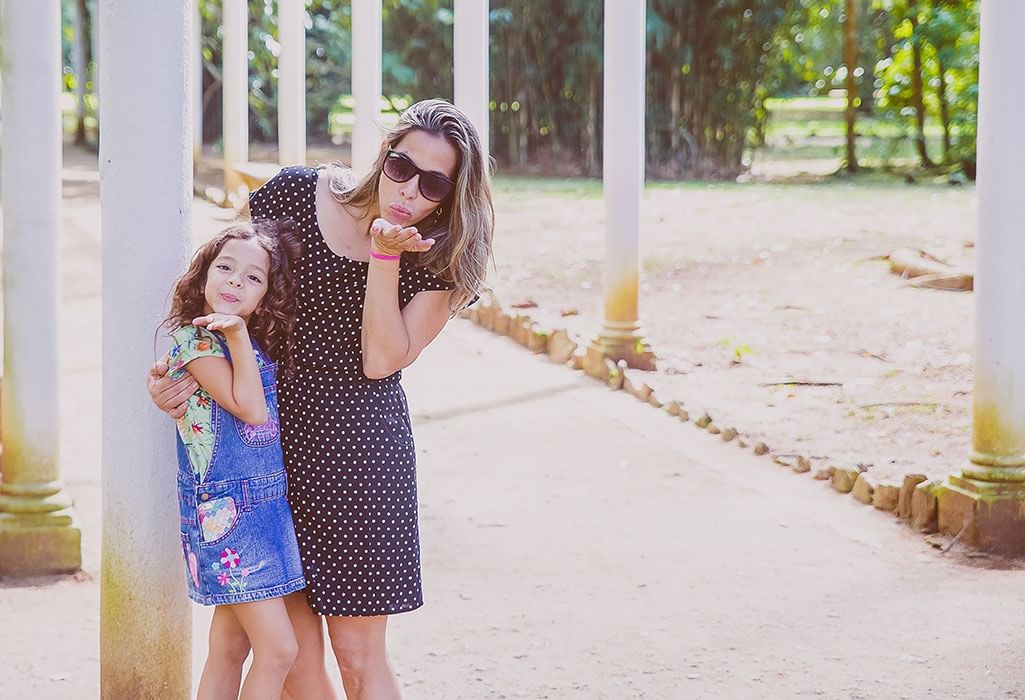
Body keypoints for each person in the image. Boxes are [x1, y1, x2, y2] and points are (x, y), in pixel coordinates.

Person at [148, 98, 495, 699]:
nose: (409, 188)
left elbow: (382, 359)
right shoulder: (290, 196)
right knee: (296, 664)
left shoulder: (443, 256)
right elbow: (226, 294)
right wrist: (175, 378)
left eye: (433, 182)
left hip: (359, 460)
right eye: (401, 166)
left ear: (451, 195)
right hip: (265, 453)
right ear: (383, 155)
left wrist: (386, 255)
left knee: (359, 658)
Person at [162, 220, 307, 699]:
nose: (234, 282)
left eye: (252, 278)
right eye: (225, 267)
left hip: (266, 508)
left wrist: (244, 338)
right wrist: (240, 337)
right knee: (280, 649)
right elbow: (249, 407)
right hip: (228, 513)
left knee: (229, 645)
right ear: (204, 275)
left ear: (264, 295)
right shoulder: (195, 341)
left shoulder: (247, 341)